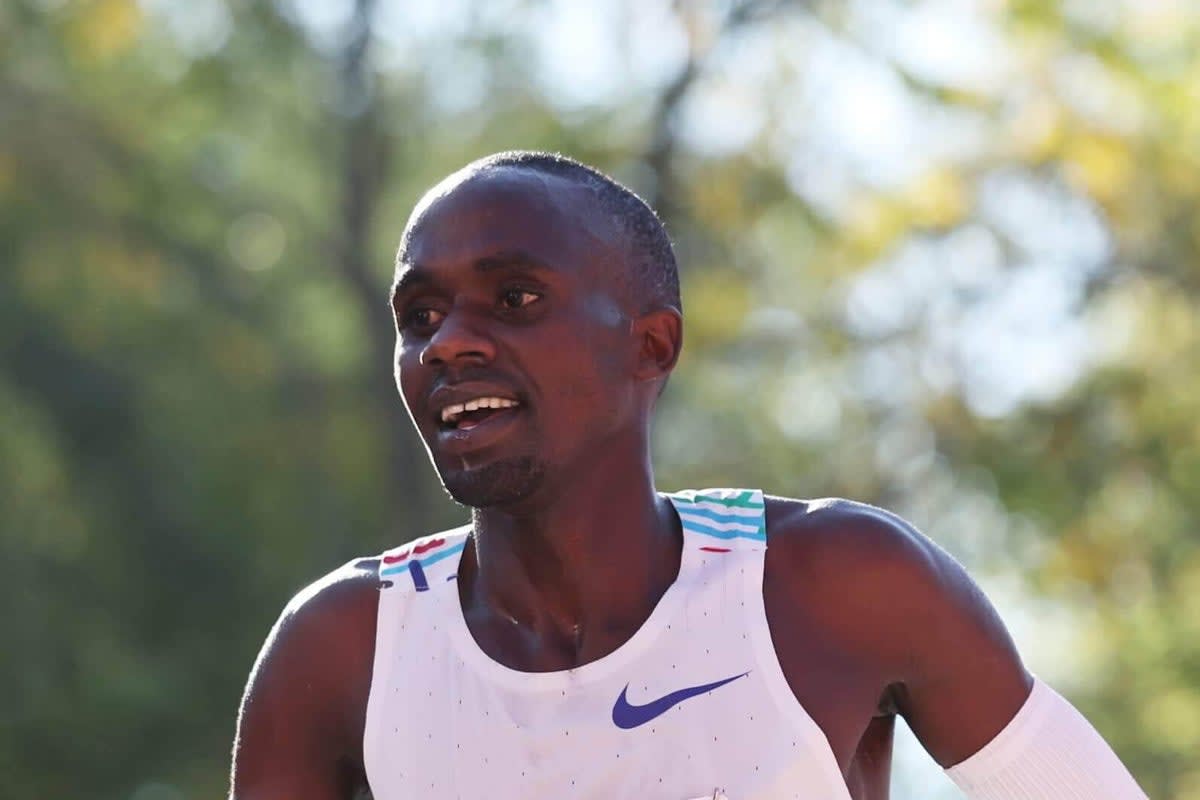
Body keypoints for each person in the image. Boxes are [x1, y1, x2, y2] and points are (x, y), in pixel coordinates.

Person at [229, 151, 1146, 800]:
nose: (449, 342)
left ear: (651, 344)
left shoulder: (836, 583)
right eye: (419, 313)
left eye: (514, 299)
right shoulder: (345, 649)